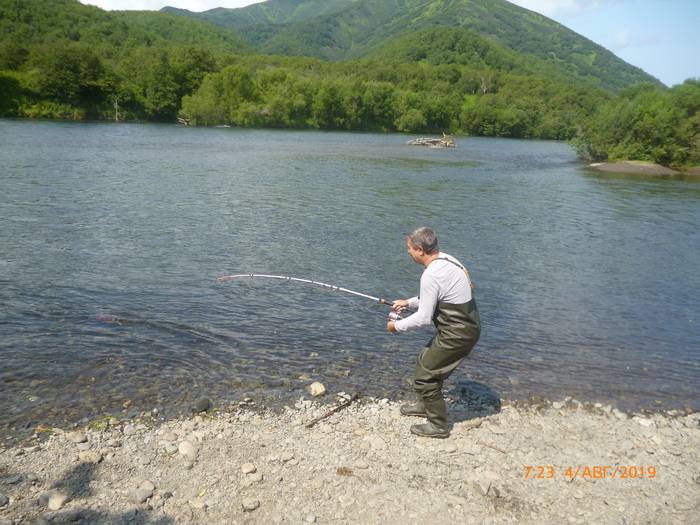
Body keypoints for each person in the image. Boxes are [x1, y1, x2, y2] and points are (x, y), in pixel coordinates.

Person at [387, 227, 481, 438]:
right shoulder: (448, 260)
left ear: (420, 250)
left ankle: (438, 425)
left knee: (426, 377)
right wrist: (408, 302)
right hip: (465, 327)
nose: (408, 251)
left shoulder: (431, 274)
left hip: (458, 334)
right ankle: (425, 406)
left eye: (409, 248)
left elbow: (423, 318)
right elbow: (437, 297)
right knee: (425, 360)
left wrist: (395, 327)